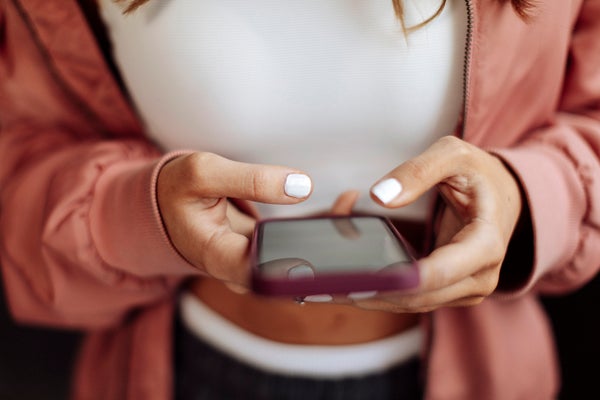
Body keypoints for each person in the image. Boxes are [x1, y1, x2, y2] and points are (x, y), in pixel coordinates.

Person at [1, 0, 599, 398]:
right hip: (176, 369)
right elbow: (16, 162)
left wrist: (525, 198)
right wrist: (136, 211)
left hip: (477, 377)